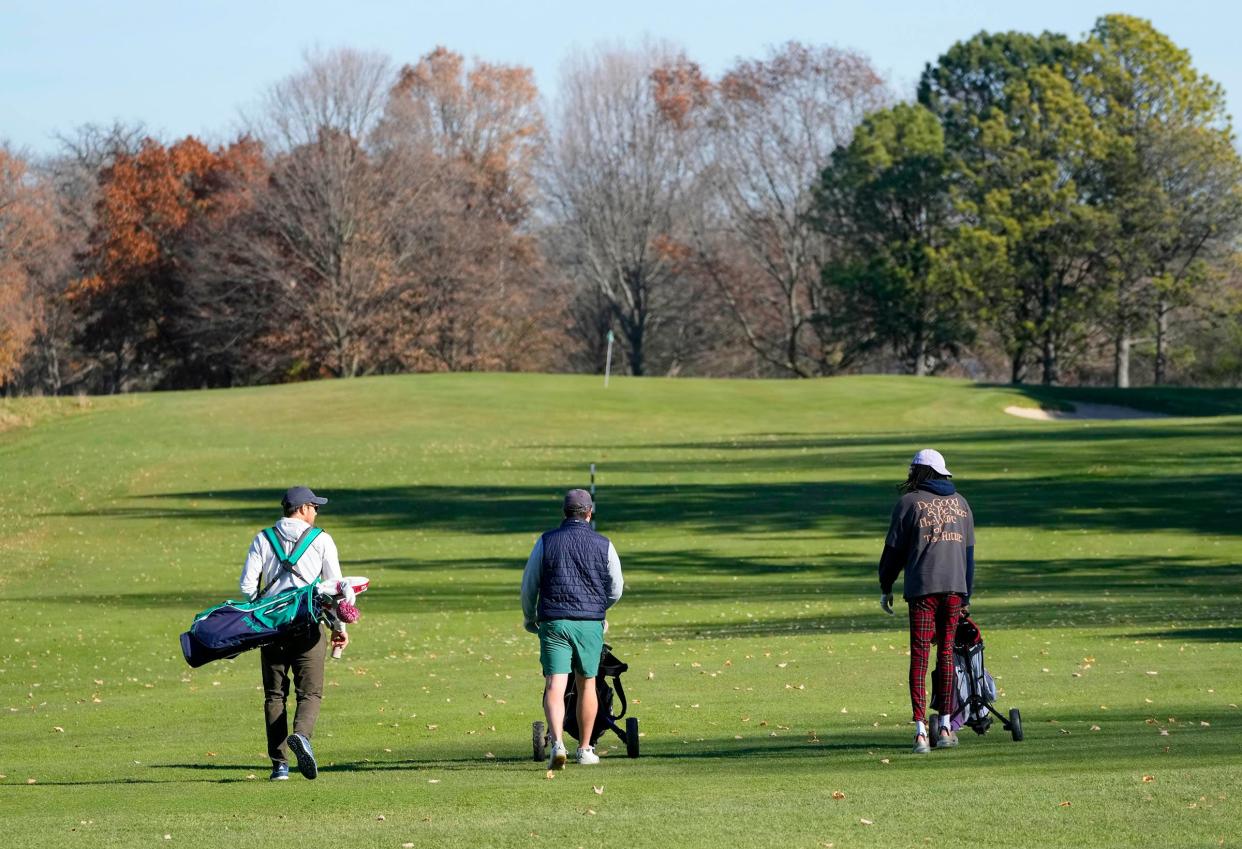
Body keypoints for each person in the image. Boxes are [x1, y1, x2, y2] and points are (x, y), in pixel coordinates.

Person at [239, 486, 349, 780]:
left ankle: (280, 766)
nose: (316, 511)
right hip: (308, 627)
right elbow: (335, 589)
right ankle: (301, 736)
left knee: (275, 695)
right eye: (314, 506)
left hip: (272, 627)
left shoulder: (262, 539)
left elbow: (248, 588)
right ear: (302, 509)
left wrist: (258, 616)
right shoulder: (322, 540)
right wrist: (339, 628)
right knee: (310, 692)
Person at [877, 449, 975, 754]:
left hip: (922, 589)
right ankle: (945, 727)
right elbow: (968, 556)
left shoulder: (908, 503)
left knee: (919, 657)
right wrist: (966, 594)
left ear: (919, 473)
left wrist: (885, 585)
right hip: (955, 589)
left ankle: (921, 732)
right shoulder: (962, 504)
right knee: (946, 654)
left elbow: (892, 552)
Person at [521, 489, 623, 769]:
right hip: (589, 623)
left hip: (554, 621)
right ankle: (585, 748)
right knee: (587, 682)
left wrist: (530, 618)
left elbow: (530, 585)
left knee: (555, 683)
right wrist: (599, 607)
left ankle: (557, 744)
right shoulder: (604, 544)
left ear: (564, 513)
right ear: (589, 513)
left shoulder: (546, 541)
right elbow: (616, 588)